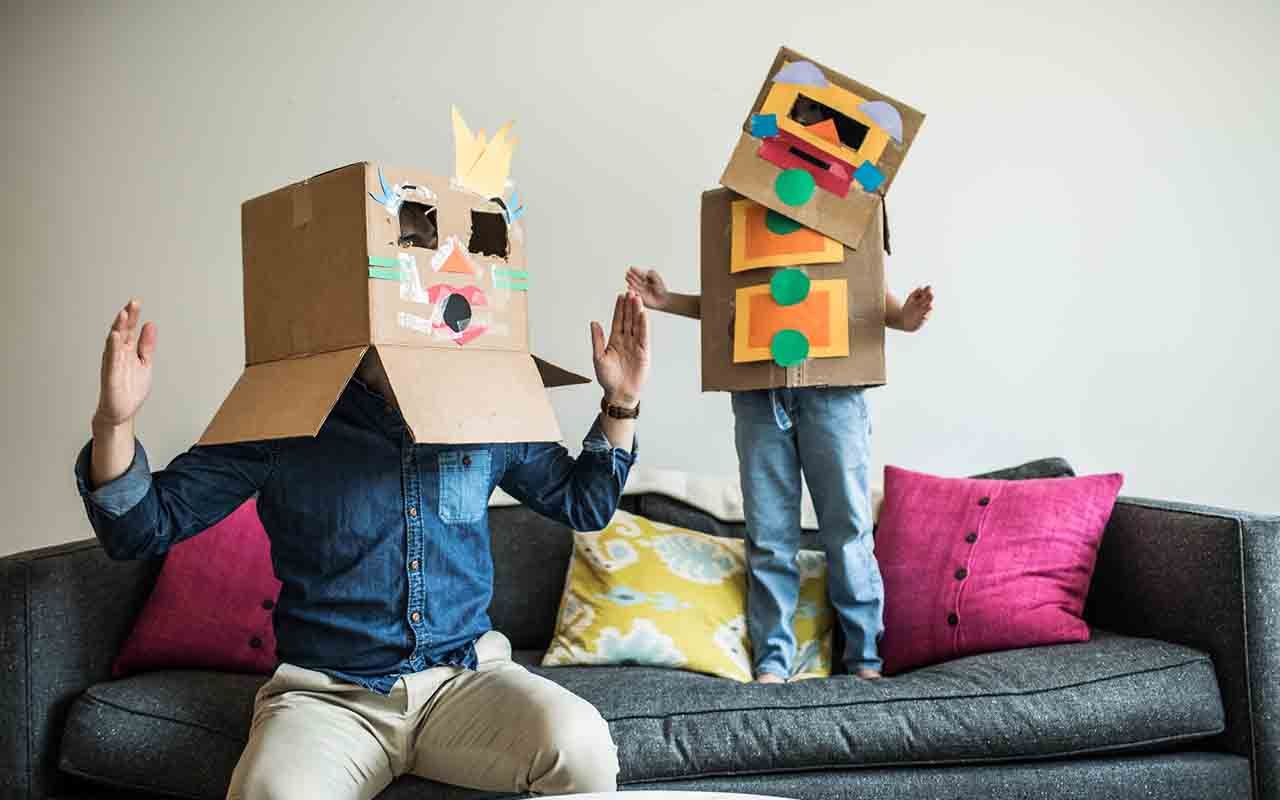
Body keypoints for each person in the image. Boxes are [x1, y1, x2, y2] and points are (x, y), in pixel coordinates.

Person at [76, 293, 650, 798]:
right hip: (328, 699)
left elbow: (584, 505)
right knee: (269, 793)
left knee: (580, 743)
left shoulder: (486, 409)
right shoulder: (282, 418)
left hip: (464, 682)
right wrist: (113, 423)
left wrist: (620, 402)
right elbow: (140, 529)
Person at [626, 267, 932, 681]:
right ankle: (773, 662)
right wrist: (670, 301)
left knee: (848, 529)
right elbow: (741, 298)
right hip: (758, 390)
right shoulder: (745, 212)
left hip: (833, 389)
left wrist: (903, 318)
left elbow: (855, 283)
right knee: (769, 535)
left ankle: (864, 659)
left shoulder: (839, 204)